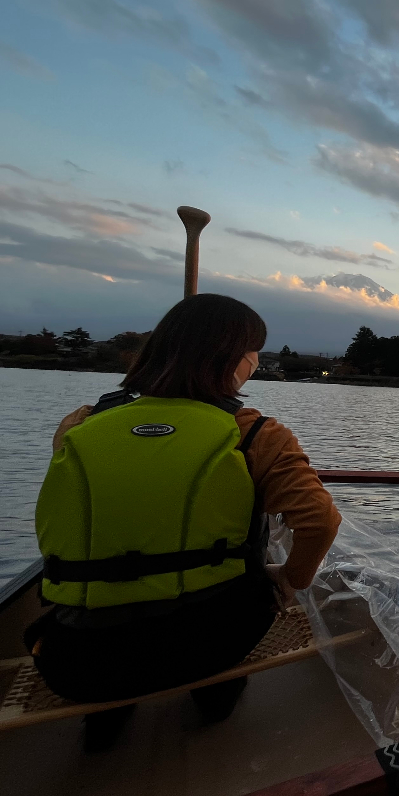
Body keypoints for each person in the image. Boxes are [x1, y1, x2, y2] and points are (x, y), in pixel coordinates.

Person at [26, 294, 342, 750]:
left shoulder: (81, 424)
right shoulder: (257, 434)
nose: (256, 361)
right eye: (253, 350)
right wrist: (290, 579)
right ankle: (216, 697)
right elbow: (319, 522)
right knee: (244, 569)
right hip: (206, 646)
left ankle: (105, 715)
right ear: (234, 360)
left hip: (75, 660)